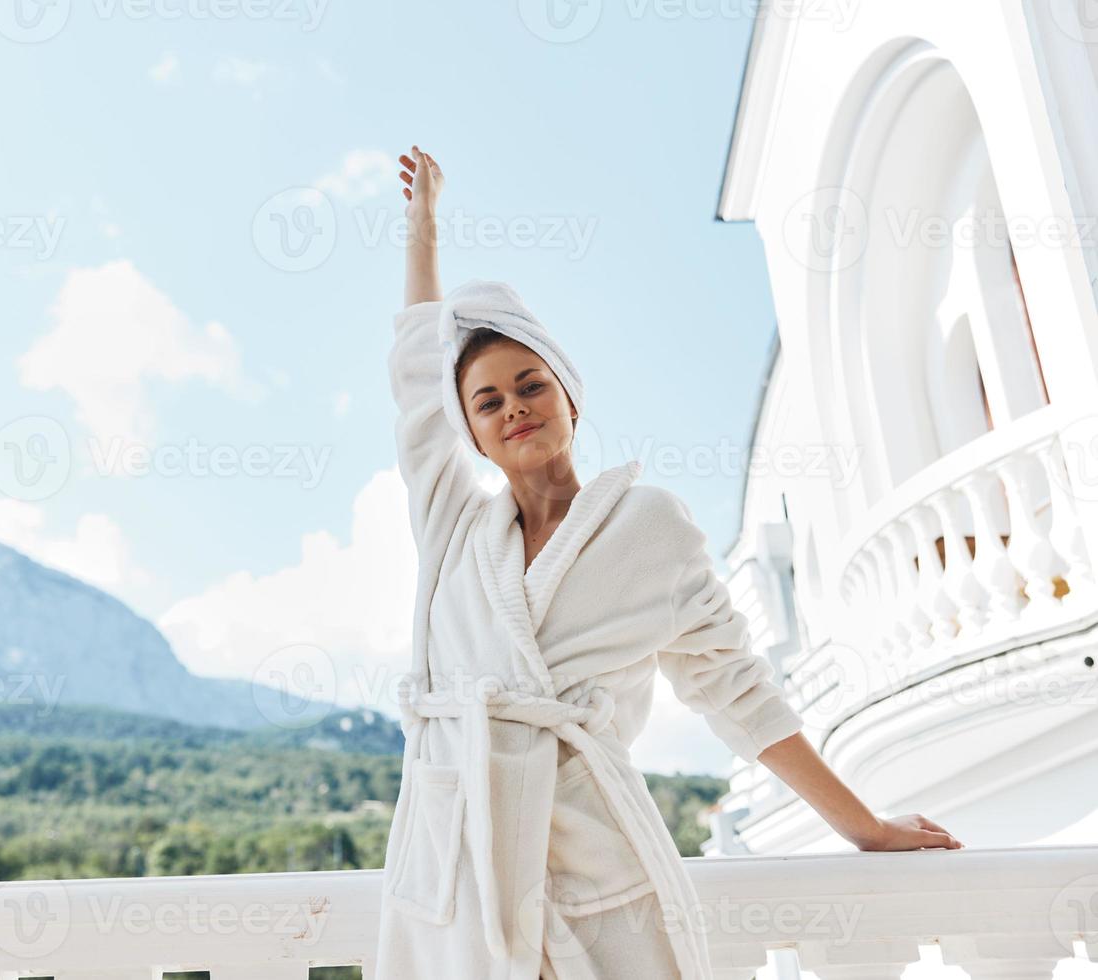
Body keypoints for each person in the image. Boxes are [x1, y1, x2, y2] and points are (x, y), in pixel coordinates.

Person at [372, 145, 964, 980]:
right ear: (467, 429)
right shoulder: (452, 529)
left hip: (600, 868)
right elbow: (411, 392)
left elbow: (739, 692)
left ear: (569, 394)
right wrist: (422, 234)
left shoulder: (649, 528)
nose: (514, 409)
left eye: (530, 385)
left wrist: (862, 826)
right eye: (488, 401)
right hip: (458, 869)